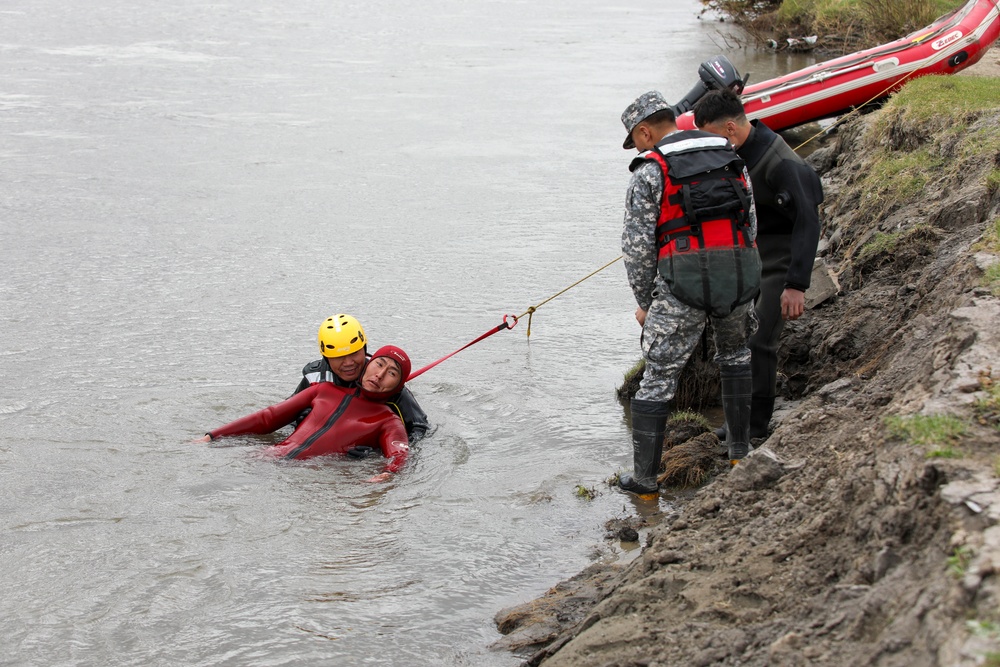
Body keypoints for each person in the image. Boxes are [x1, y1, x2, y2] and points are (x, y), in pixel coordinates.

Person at [618, 90, 761, 496]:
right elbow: (750, 221)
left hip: (681, 285)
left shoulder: (650, 170)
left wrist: (648, 304)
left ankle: (645, 481)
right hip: (737, 274)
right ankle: (739, 452)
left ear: (645, 132)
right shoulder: (730, 155)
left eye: (635, 138)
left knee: (658, 379)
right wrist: (744, 273)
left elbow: (636, 249)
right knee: (736, 356)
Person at [693, 88, 824, 440]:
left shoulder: (780, 162)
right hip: (751, 257)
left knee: (760, 340)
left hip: (780, 259)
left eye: (710, 138)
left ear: (731, 128)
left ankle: (755, 426)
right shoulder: (738, 154)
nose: (708, 147)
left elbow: (809, 223)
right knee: (735, 340)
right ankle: (736, 418)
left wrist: (796, 284)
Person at [197, 346, 413, 483]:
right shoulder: (323, 390)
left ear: (398, 386)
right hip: (262, 459)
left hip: (305, 479)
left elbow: (399, 453)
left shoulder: (389, 420)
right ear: (368, 363)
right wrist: (212, 437)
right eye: (379, 364)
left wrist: (388, 473)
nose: (380, 374)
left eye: (392, 373)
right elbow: (267, 417)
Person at [292, 313, 429, 441]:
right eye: (338, 357)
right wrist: (299, 422)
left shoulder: (384, 381)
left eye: (354, 353)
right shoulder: (313, 378)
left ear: (364, 348)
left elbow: (420, 428)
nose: (348, 363)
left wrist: (376, 449)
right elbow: (285, 420)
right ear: (326, 358)